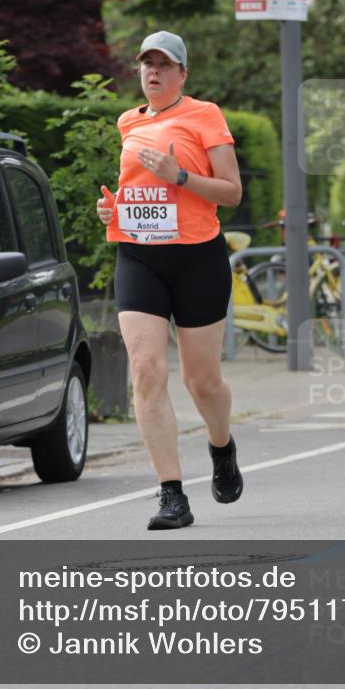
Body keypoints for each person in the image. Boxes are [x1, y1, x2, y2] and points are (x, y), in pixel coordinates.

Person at [96, 30, 244, 530]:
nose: (153, 72)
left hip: (197, 257)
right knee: (146, 369)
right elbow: (134, 190)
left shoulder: (206, 115)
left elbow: (231, 193)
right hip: (139, 256)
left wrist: (181, 176)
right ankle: (171, 494)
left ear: (183, 73)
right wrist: (111, 210)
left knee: (202, 381)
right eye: (146, 64)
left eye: (164, 64)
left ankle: (221, 446)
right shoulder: (127, 123)